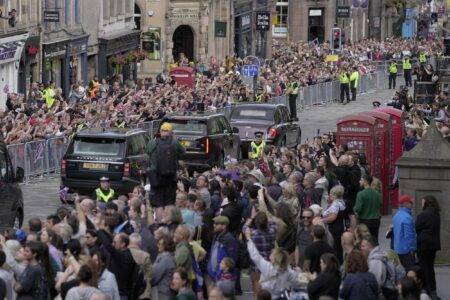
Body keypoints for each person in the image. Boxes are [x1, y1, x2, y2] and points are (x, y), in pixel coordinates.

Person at [244, 226, 300, 299]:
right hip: (279, 297)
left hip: (266, 296)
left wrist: (249, 239)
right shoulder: (287, 270)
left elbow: (255, 256)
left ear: (274, 259)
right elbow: (297, 279)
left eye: (273, 253)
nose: (271, 253)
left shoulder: (267, 267)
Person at [146, 122, 185, 221]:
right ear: (171, 132)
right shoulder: (175, 142)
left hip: (156, 177)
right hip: (171, 176)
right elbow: (183, 152)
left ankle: (160, 223)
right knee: (169, 202)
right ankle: (169, 221)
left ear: (160, 131)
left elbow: (148, 152)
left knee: (158, 204)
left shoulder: (152, 142)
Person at [415, 195, 441, 297]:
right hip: (433, 245)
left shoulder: (423, 215)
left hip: (423, 245)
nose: (421, 204)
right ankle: (433, 289)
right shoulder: (436, 214)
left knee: (424, 267)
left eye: (422, 202)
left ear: (427, 202)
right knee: (430, 267)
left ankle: (427, 289)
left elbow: (416, 227)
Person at [207, 216, 238, 284]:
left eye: (216, 224)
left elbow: (231, 260)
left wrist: (222, 274)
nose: (214, 225)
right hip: (215, 276)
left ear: (224, 226)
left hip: (223, 278)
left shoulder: (229, 240)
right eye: (214, 223)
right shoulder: (217, 236)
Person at [354, 174, 381, 243]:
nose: (359, 181)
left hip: (365, 221)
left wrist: (354, 210)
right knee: (374, 240)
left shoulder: (361, 194)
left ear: (365, 182)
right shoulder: (377, 193)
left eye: (361, 180)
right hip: (376, 220)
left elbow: (358, 208)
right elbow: (380, 205)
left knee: (364, 241)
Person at [321, 185, 346, 263]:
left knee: (334, 246)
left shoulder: (335, 204)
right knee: (338, 247)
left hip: (334, 228)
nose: (329, 195)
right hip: (340, 226)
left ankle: (334, 262)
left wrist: (321, 220)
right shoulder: (341, 202)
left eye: (331, 194)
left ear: (335, 195)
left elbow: (332, 217)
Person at [393, 195, 417, 270]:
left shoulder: (396, 215)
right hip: (406, 250)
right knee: (410, 272)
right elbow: (410, 236)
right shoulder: (407, 217)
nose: (412, 204)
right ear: (405, 204)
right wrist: (413, 249)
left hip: (398, 248)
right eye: (410, 202)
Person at [152, 236, 177, 300]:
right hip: (165, 291)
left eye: (159, 244)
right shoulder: (168, 257)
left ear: (165, 246)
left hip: (163, 293)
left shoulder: (165, 259)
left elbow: (155, 276)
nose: (158, 245)